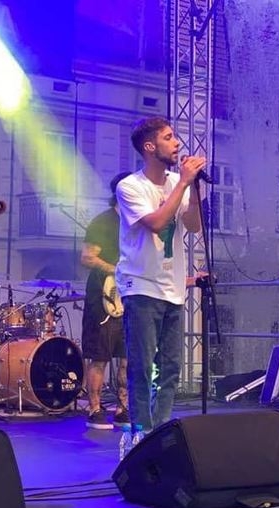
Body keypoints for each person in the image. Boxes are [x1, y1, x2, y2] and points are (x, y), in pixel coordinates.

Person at [115, 116, 205, 433]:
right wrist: (182, 184)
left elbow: (193, 225)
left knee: (170, 367)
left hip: (172, 287)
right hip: (141, 286)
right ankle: (141, 433)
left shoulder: (178, 181)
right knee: (142, 366)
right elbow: (155, 223)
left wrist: (193, 189)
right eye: (168, 137)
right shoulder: (130, 186)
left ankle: (161, 431)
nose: (177, 142)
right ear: (150, 147)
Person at [80, 172, 131, 430]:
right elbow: (87, 257)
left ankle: (123, 407)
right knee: (100, 355)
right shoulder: (103, 221)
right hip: (103, 295)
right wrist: (115, 270)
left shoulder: (136, 222)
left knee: (127, 356)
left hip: (129, 295)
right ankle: (95, 408)